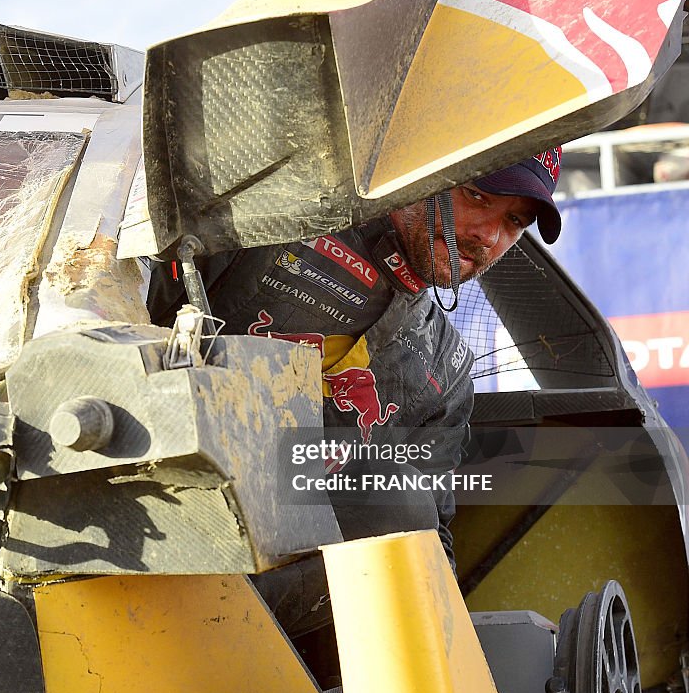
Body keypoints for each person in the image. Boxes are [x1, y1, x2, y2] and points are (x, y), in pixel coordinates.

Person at [146, 149, 563, 637]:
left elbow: (427, 544)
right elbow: (129, 320)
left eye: (515, 221)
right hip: (154, 521)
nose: (488, 236)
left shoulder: (446, 371)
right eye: (476, 195)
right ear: (423, 169)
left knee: (397, 505)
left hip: (284, 614)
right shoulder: (266, 222)